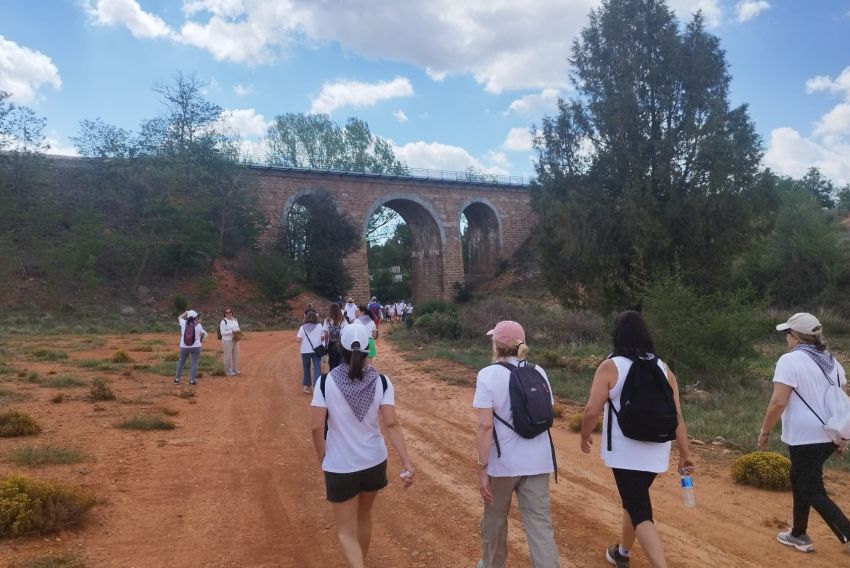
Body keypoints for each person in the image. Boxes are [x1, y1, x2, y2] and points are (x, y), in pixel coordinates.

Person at [580, 311, 694, 568]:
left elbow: (591, 410)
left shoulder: (610, 366)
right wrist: (685, 454)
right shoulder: (663, 368)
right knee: (634, 501)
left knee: (641, 511)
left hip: (624, 453)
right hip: (656, 451)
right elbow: (677, 416)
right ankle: (622, 553)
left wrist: (585, 434)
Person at [310, 324, 414, 568]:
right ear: (369, 349)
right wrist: (407, 461)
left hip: (341, 465)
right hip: (374, 462)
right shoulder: (383, 382)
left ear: (339, 348)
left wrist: (322, 458)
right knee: (364, 517)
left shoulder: (325, 383)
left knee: (345, 531)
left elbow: (316, 428)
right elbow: (392, 423)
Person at [758, 312, 850, 554]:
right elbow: (840, 402)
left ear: (796, 337)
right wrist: (843, 439)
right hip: (829, 435)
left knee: (811, 489)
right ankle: (798, 534)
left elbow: (778, 402)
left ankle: (847, 532)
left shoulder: (790, 361)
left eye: (787, 333)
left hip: (805, 438)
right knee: (800, 480)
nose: (786, 338)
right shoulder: (833, 362)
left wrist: (764, 432)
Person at [473, 320, 560, 568]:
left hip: (502, 465)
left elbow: (484, 426)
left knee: (495, 521)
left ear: (497, 345)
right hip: (538, 461)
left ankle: (491, 565)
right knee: (540, 526)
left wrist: (482, 468)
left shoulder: (487, 375)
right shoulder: (539, 371)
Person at [175, 310, 208, 386]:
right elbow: (205, 335)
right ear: (196, 317)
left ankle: (177, 379)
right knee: (194, 363)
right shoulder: (198, 325)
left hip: (184, 346)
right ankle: (191, 381)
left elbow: (179, 317)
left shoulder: (183, 323)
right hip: (196, 346)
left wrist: (185, 313)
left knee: (181, 362)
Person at [297, 311, 325, 394]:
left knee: (306, 368)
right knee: (317, 368)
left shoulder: (302, 328)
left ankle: (307, 386)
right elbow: (323, 338)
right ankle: (316, 387)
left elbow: (298, 340)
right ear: (316, 318)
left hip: (305, 351)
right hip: (317, 351)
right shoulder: (320, 326)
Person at [323, 302, 348, 371]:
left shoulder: (327, 320)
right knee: (340, 361)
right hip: (340, 343)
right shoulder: (343, 320)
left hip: (331, 344)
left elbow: (326, 334)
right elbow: (347, 331)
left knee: (331, 362)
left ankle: (332, 377)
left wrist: (326, 345)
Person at [219, 307, 241, 376]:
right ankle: (228, 371)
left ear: (232, 313)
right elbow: (222, 333)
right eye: (226, 312)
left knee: (235, 355)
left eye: (230, 312)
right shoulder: (223, 322)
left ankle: (234, 369)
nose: (228, 313)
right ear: (224, 314)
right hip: (227, 341)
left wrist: (237, 332)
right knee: (227, 357)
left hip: (235, 339)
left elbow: (238, 328)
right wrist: (232, 331)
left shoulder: (235, 320)